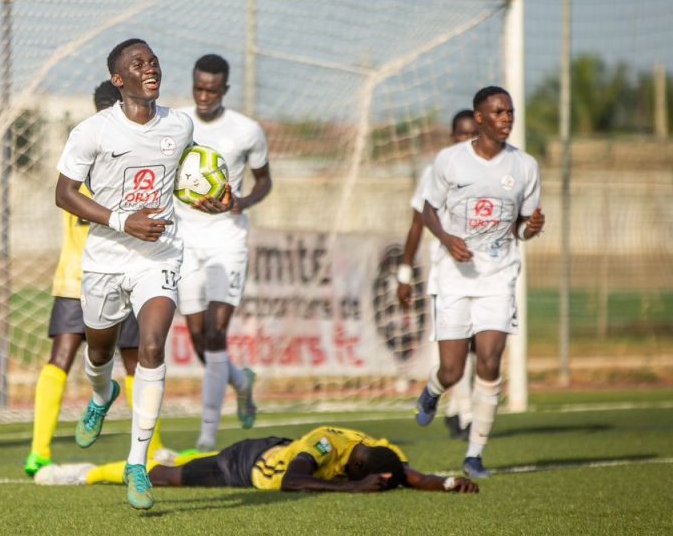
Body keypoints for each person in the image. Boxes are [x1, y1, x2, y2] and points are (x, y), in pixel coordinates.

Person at [54, 39, 231, 510]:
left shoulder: (179, 124)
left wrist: (213, 197)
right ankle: (100, 392)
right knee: (99, 353)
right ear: (119, 80)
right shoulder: (91, 131)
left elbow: (191, 172)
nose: (149, 67)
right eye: (138, 64)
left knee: (151, 346)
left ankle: (137, 462)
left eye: (153, 61)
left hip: (160, 255)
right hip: (107, 255)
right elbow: (64, 194)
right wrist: (120, 220)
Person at [24, 81, 167, 477]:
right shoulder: (86, 151)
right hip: (78, 276)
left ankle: (151, 451)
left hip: (126, 273)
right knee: (70, 359)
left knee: (135, 360)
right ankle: (38, 452)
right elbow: (69, 197)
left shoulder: (136, 157)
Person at [414, 86, 545, 478]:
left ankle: (474, 454)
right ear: (480, 117)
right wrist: (447, 239)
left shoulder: (524, 166)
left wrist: (531, 228)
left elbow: (523, 225)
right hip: (454, 278)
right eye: (499, 112)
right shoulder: (450, 161)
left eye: (511, 112)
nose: (507, 119)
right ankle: (433, 392)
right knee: (452, 370)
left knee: (489, 361)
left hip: (498, 276)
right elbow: (427, 208)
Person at [174, 54, 272, 451]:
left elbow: (265, 182)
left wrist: (242, 203)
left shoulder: (247, 131)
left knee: (216, 333)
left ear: (224, 90)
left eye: (211, 90)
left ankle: (207, 435)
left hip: (227, 239)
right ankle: (240, 380)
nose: (203, 96)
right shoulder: (176, 123)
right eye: (198, 87)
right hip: (183, 239)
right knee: (197, 336)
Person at [35, 424, 479, 495]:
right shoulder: (325, 445)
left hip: (274, 445)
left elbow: (409, 473)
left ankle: (176, 452)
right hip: (246, 465)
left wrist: (445, 483)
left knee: (180, 463)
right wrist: (353, 488)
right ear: (354, 466)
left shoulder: (380, 448)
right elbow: (291, 482)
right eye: (356, 473)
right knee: (164, 476)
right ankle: (84, 473)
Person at [396, 110, 477, 440]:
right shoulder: (435, 172)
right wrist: (404, 273)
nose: (466, 140)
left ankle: (461, 410)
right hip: (447, 273)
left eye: (473, 134)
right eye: (460, 134)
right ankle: (463, 411)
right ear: (451, 137)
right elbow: (417, 224)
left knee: (478, 345)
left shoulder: (494, 172)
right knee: (456, 347)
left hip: (484, 272)